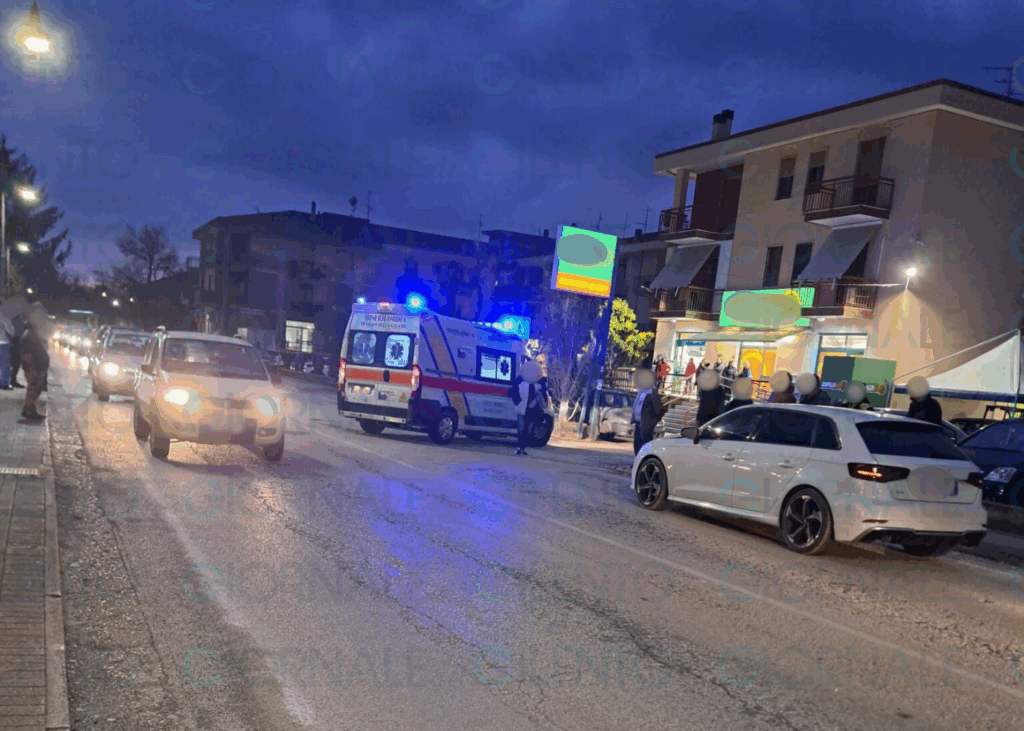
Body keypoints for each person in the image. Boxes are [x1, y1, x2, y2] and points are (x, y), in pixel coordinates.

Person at [510, 360, 545, 455]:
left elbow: (543, 396)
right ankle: (520, 447)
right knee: (521, 429)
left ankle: (523, 448)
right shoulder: (520, 383)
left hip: (532, 411)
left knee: (528, 431)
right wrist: (518, 403)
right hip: (522, 409)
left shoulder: (539, 385)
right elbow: (513, 393)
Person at [631, 368, 666, 455]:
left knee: (644, 445)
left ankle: (646, 465)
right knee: (637, 444)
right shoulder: (641, 392)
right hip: (638, 423)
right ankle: (638, 463)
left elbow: (660, 411)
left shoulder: (652, 394)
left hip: (646, 425)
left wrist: (651, 422)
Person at [20, 319, 50, 420]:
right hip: (33, 368)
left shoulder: (34, 336)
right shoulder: (30, 336)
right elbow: (27, 354)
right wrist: (31, 368)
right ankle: (28, 410)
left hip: (37, 367)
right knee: (33, 388)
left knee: (36, 388)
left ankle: (31, 409)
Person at [0, 312, 13, 389]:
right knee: (5, 365)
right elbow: (11, 331)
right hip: (3, 343)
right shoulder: (4, 318)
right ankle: (5, 384)